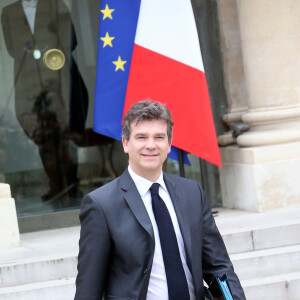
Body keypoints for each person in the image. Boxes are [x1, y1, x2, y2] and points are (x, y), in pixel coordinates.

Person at [75, 100, 246, 300]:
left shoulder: (192, 193)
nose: (151, 145)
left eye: (159, 137)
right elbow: (89, 289)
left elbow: (218, 267)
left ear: (169, 144)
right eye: (141, 137)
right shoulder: (101, 205)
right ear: (125, 143)